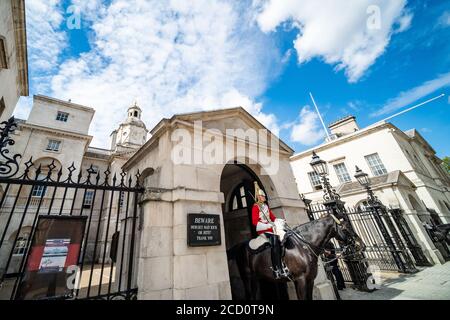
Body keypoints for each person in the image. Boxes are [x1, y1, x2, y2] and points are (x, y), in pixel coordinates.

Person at [251, 181, 290, 280]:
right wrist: (267, 225)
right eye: (263, 196)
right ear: (259, 197)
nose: (264, 198)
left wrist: (280, 220)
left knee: (284, 237)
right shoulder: (255, 207)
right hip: (263, 231)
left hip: (271, 229)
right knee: (275, 240)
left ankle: (283, 263)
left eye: (264, 196)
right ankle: (276, 268)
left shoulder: (265, 207)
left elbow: (272, 218)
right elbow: (255, 222)